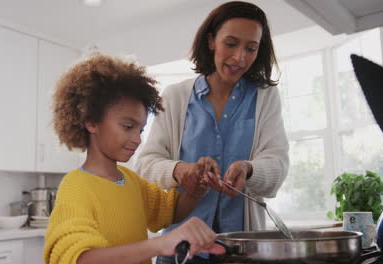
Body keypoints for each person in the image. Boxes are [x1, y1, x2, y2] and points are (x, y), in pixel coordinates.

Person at [134, 2, 289, 263]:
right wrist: (180, 170)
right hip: (178, 250)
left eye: (251, 48)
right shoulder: (175, 97)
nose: (240, 57)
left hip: (241, 253)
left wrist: (248, 169)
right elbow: (145, 165)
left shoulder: (265, 98)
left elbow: (278, 166)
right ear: (211, 41)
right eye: (231, 44)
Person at [43, 53, 225, 264]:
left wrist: (195, 189)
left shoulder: (131, 181)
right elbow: (81, 258)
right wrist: (161, 244)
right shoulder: (76, 187)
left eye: (141, 129)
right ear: (91, 122)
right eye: (128, 127)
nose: (137, 139)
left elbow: (170, 212)